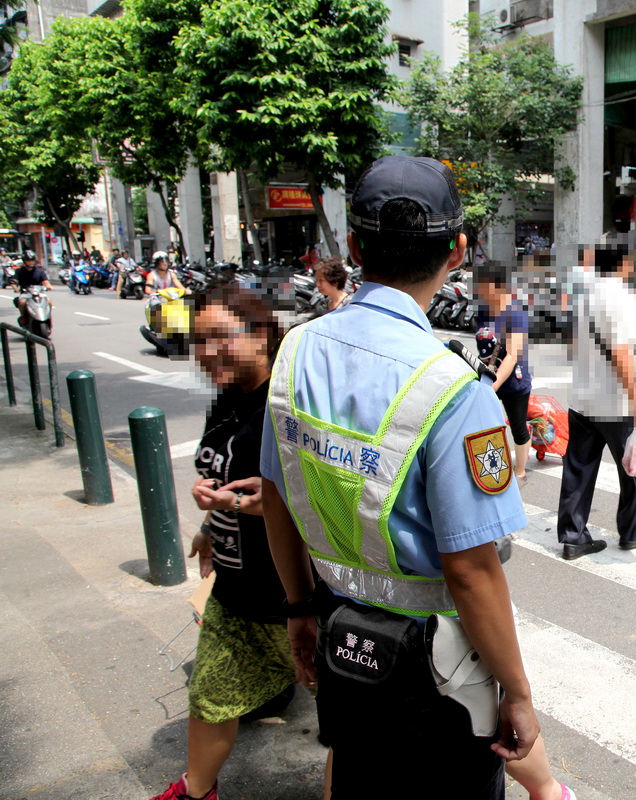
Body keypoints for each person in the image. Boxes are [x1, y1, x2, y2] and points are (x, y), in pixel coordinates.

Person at [259, 155, 538, 798]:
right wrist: (517, 692)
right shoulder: (456, 392)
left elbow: (277, 498)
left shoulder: (296, 351)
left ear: (354, 246)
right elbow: (471, 571)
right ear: (457, 251)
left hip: (336, 631)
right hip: (431, 669)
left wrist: (299, 609)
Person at [152, 283, 294, 800]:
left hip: (295, 601)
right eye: (198, 342)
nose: (205, 353)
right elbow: (226, 476)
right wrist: (213, 524)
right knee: (210, 696)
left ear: (260, 336)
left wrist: (248, 505)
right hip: (235, 596)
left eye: (218, 338)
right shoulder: (227, 401)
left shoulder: (286, 407)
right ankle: (195, 791)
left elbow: (310, 503)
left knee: (351, 722)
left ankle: (541, 783)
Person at [557, 239, 636, 560]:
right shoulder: (622, 297)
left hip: (584, 397)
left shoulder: (584, 294)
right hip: (615, 401)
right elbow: (621, 353)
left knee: (578, 468)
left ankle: (573, 536)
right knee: (633, 466)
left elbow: (572, 343)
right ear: (624, 261)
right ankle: (631, 530)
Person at [475, 260, 533, 487]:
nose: (479, 290)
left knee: (518, 428)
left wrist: (494, 386)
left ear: (498, 285)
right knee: (484, 425)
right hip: (487, 379)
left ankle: (520, 473)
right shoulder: (482, 311)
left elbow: (512, 356)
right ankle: (491, 467)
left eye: (483, 285)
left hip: (513, 382)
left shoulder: (514, 313)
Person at [12, 250, 53, 325]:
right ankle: (24, 317)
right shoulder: (19, 271)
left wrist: (49, 287)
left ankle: (48, 317)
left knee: (49, 300)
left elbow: (46, 281)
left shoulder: (39, 271)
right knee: (22, 302)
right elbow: (14, 281)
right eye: (28, 261)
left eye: (32, 260)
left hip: (38, 293)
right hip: (26, 293)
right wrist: (15, 288)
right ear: (24, 261)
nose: (31, 262)